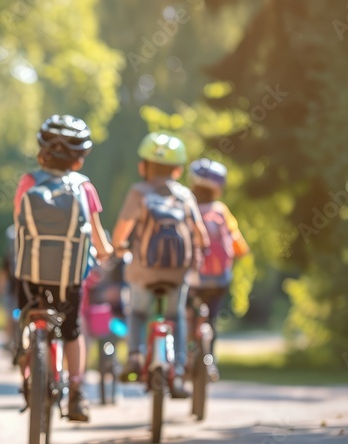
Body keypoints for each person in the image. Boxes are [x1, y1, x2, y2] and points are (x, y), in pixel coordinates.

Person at [13, 115, 112, 422]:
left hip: (29, 274)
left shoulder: (28, 181)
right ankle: (78, 394)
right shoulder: (84, 187)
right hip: (69, 278)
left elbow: (18, 222)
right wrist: (106, 252)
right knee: (72, 330)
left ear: (41, 150)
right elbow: (97, 235)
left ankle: (29, 376)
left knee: (27, 321)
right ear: (80, 159)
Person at [111, 131, 208, 399]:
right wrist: (199, 252)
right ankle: (177, 371)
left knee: (138, 312)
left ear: (143, 166)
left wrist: (118, 248)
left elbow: (122, 230)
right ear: (178, 170)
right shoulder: (185, 195)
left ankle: (134, 356)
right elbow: (200, 233)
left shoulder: (138, 192)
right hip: (178, 272)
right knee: (176, 315)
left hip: (143, 270)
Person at [187, 157, 249, 358]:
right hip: (219, 279)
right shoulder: (221, 211)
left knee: (186, 314)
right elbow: (239, 247)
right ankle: (209, 360)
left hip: (192, 278)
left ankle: (186, 355)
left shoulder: (186, 208)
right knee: (211, 318)